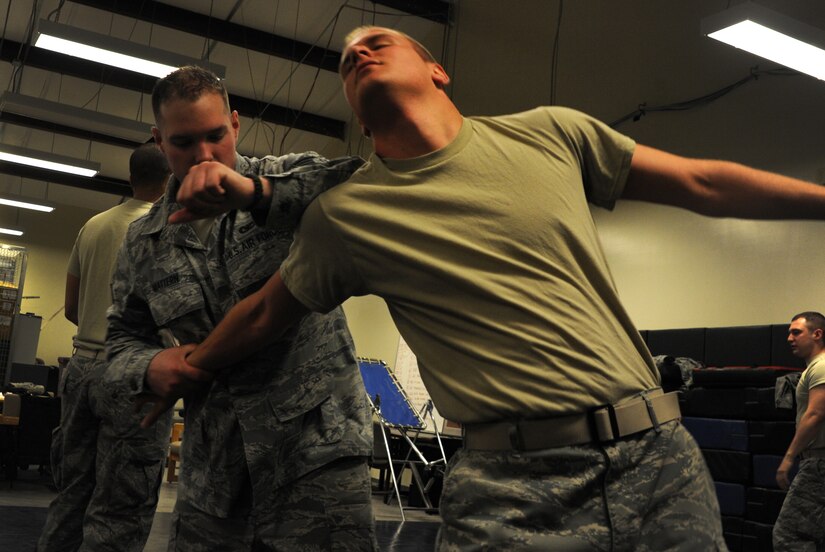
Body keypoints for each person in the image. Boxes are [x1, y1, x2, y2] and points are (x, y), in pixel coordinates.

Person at [156, 27, 825, 551]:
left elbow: (701, 184)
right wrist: (186, 366)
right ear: (357, 119)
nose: (357, 50)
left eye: (378, 41)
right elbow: (264, 313)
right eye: (347, 59)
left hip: (655, 459)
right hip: (510, 491)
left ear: (437, 70)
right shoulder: (347, 216)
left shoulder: (550, 134)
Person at [104, 65, 375, 551]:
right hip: (215, 475)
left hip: (316, 460)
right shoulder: (144, 242)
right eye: (183, 142)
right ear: (159, 141)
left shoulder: (286, 180)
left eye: (214, 136)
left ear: (235, 124)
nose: (203, 155)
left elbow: (363, 182)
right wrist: (149, 366)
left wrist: (254, 195)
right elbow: (122, 337)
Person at [38, 143, 171, 552]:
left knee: (71, 492)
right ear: (170, 180)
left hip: (81, 371)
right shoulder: (167, 230)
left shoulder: (93, 226)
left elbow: (74, 308)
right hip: (133, 378)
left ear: (130, 179)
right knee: (121, 509)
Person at [773, 312, 825, 551]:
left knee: (789, 536)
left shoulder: (821, 366)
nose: (789, 338)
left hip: (818, 464)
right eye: (788, 333)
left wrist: (788, 458)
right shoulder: (815, 368)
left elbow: (815, 414)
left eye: (796, 332)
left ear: (817, 334)